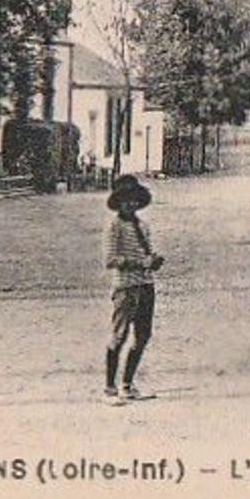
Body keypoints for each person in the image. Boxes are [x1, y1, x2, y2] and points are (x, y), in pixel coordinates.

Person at [103, 173, 163, 404]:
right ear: (118, 203)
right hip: (126, 287)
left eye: (134, 200)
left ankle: (127, 384)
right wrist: (139, 263)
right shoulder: (114, 227)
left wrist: (152, 261)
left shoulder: (143, 226)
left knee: (143, 335)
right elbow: (110, 260)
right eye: (125, 200)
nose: (130, 204)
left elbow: (146, 255)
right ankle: (109, 388)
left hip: (146, 285)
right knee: (119, 335)